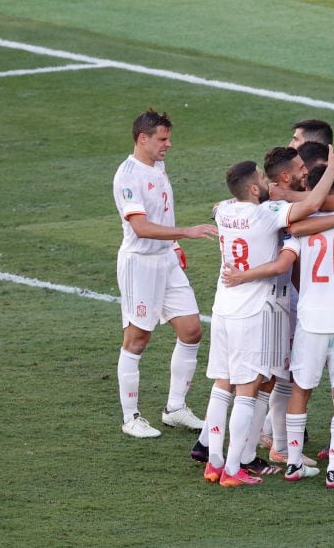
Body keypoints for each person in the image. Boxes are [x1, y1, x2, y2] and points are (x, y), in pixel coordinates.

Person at [224, 165, 334, 488]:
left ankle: (293, 463)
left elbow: (281, 265)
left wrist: (241, 276)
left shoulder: (300, 230)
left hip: (311, 320)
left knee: (301, 390)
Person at [201, 148, 334, 487]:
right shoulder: (267, 213)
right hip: (254, 311)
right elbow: (311, 206)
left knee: (221, 384)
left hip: (223, 306)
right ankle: (234, 469)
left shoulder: (224, 210)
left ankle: (214, 463)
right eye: (260, 179)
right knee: (248, 388)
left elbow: (219, 207)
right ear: (254, 189)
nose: (266, 182)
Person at [112, 109, 217, 438]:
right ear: (142, 139)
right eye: (162, 138)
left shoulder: (157, 165)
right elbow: (140, 227)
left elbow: (163, 212)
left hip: (166, 260)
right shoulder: (127, 176)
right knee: (137, 339)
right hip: (140, 265)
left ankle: (175, 408)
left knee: (191, 330)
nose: (168, 144)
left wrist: (173, 246)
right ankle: (131, 417)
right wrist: (185, 233)